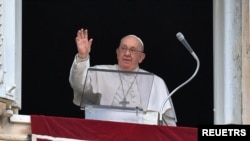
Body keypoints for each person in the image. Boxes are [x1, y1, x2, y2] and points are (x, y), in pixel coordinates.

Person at [69, 28, 177, 126]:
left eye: (133, 50)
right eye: (123, 48)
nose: (127, 53)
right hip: (106, 133)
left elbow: (169, 123)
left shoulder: (156, 82)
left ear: (141, 57)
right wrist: (82, 57)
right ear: (117, 52)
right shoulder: (100, 73)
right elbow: (78, 85)